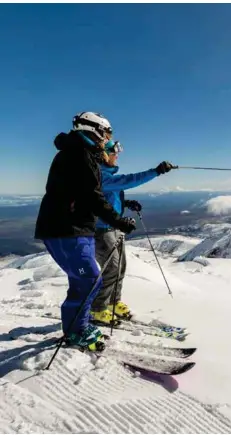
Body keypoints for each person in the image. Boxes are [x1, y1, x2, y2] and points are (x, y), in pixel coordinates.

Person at [34, 112, 137, 351]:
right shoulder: (79, 154)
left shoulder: (81, 153)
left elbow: (90, 194)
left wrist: (118, 215)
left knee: (85, 279)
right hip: (66, 228)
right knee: (89, 278)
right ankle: (76, 331)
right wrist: (118, 221)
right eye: (107, 133)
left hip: (76, 228)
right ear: (96, 130)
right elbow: (91, 196)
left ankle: (78, 325)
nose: (108, 139)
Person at [90, 139, 174, 325]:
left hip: (114, 227)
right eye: (114, 151)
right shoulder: (101, 174)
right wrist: (156, 171)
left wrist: (126, 204)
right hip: (102, 231)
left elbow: (108, 198)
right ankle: (98, 309)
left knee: (120, 267)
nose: (117, 154)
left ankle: (113, 302)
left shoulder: (106, 174)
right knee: (111, 269)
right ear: (104, 154)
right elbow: (129, 180)